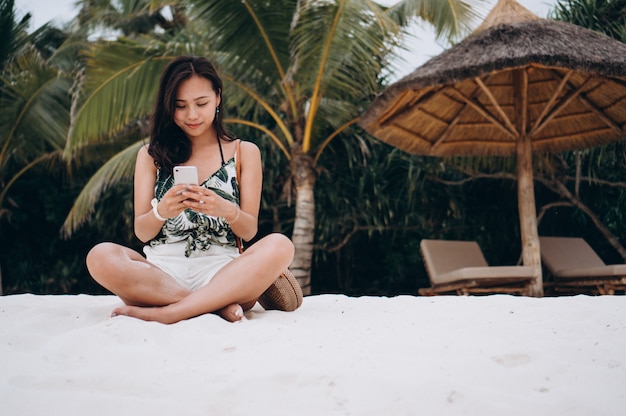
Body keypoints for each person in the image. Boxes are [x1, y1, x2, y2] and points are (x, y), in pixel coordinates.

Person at [86, 56, 295, 324]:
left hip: (224, 274)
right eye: (180, 106)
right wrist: (162, 211)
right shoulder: (150, 155)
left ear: (218, 97)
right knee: (100, 255)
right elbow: (142, 232)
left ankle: (171, 312)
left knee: (280, 245)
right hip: (161, 275)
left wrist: (226, 210)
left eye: (201, 103)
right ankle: (213, 306)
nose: (192, 115)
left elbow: (249, 231)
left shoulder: (245, 152)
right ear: (168, 106)